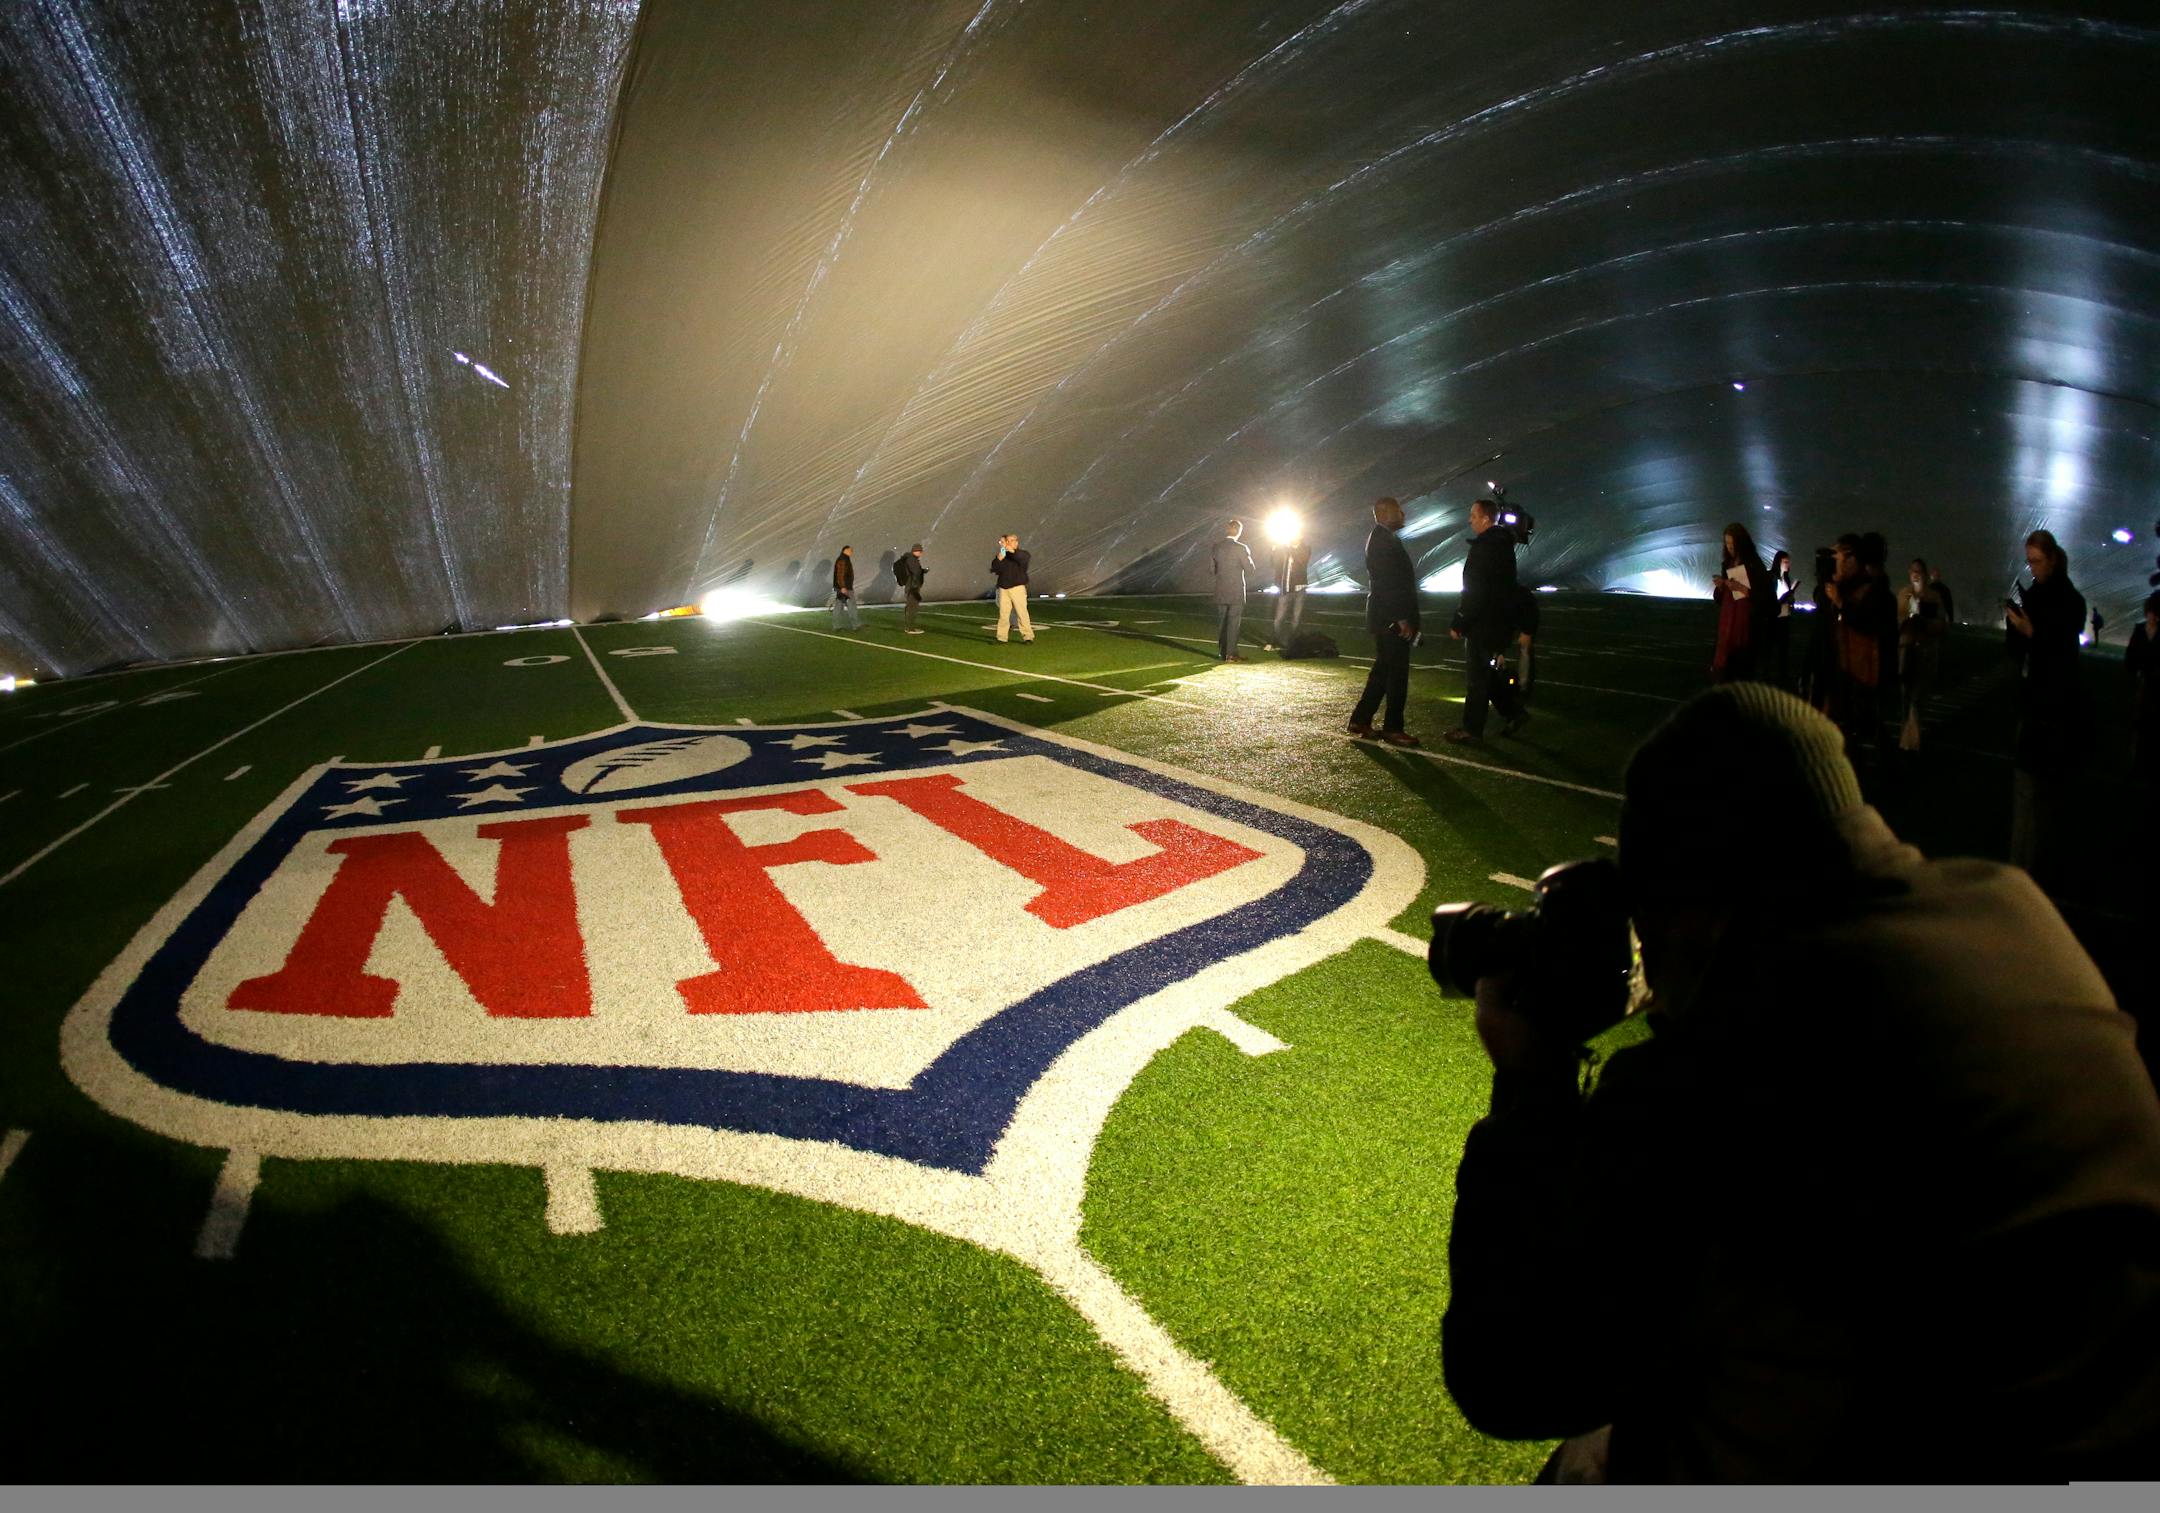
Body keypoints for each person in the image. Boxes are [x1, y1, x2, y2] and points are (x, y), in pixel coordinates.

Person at [1442, 684, 2160, 1483]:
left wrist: (1531, 1085)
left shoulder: (1721, 1068)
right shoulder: (2014, 910)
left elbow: (1506, 1373)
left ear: (1691, 907)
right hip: (2109, 1444)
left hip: (1921, 1454)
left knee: (1588, 1459)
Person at [2004, 529, 2090, 884]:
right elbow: (2019, 652)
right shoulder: (2038, 595)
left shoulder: (2068, 601)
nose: (2032, 568)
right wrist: (2016, 628)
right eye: (2029, 561)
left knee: (2039, 794)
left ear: (2052, 559)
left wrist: (2031, 633)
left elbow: (2062, 653)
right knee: (2029, 793)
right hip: (2034, 700)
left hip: (2052, 707)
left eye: (2037, 561)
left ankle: (2027, 870)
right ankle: (2025, 867)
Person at [1444, 499, 1528, 744]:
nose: (1469, 519)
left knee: (1477, 679)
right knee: (1487, 676)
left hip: (1483, 624)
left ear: (1485, 518)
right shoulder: (1503, 546)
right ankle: (1514, 712)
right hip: (1498, 622)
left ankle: (1472, 730)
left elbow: (1475, 590)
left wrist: (1460, 621)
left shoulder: (1484, 548)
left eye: (1473, 515)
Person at [1346, 496, 1421, 747]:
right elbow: (1387, 583)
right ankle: (1393, 728)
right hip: (1390, 619)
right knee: (1397, 674)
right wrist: (1401, 618)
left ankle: (1360, 719)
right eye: (1399, 510)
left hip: (1385, 617)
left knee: (1383, 672)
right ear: (1385, 513)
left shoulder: (1383, 539)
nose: (1403, 514)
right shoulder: (1381, 541)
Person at [1895, 557, 1947, 749]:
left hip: (1925, 650)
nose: (1915, 574)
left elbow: (1941, 623)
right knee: (1904, 697)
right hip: (1906, 648)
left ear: (1924, 574)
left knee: (1917, 697)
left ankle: (1912, 743)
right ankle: (1904, 738)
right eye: (1912, 571)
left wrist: (1926, 622)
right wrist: (1907, 619)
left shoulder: (1933, 597)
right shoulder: (1904, 594)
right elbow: (1898, 619)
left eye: (1918, 571)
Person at [1710, 523, 1770, 683]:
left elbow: (1768, 600)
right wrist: (1721, 587)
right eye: (1727, 544)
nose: (1730, 547)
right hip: (1728, 624)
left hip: (1746, 627)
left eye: (1732, 544)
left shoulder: (1754, 565)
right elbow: (1720, 600)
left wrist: (1744, 589)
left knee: (1743, 674)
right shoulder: (1727, 564)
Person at [2129, 591, 2160, 843]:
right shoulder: (2141, 630)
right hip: (2144, 684)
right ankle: (2137, 761)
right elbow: (2131, 658)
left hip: (2153, 688)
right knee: (2140, 724)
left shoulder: (2146, 631)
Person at [1211, 519, 1256, 662]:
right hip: (1236, 590)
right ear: (1239, 531)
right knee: (1233, 623)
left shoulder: (1216, 547)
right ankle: (1231, 654)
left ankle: (1222, 652)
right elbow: (1250, 570)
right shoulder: (1242, 548)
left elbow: (1212, 570)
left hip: (1220, 589)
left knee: (1222, 623)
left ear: (1227, 530)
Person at [991, 534, 1033, 644]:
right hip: (1004, 588)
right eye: (1007, 541)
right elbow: (995, 568)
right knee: (1004, 615)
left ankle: (1028, 636)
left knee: (1022, 613)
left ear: (1016, 542)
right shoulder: (1004, 555)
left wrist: (1009, 549)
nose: (1009, 543)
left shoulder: (1023, 554)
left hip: (1017, 588)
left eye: (1012, 541)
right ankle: (1001, 637)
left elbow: (1020, 558)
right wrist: (1001, 554)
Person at [1273, 529, 1311, 647]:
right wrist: (1274, 551)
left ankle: (1292, 643)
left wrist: (1288, 548)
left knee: (1296, 618)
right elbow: (1275, 564)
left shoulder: (1305, 548)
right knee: (1279, 618)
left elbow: (1302, 561)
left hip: (1299, 588)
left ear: (1301, 536)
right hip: (1285, 587)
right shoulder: (1284, 549)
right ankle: (1276, 640)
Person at [1766, 549, 1798, 689]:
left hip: (1785, 617)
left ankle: (1782, 677)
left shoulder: (1786, 578)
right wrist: (1783, 598)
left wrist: (1791, 600)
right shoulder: (1772, 577)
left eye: (1788, 562)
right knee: (1770, 648)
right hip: (1774, 618)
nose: (1787, 565)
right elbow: (1770, 600)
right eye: (1785, 562)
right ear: (1778, 562)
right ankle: (1768, 678)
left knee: (1783, 651)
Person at [896, 543, 928, 634]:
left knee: (911, 606)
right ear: (917, 551)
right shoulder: (912, 560)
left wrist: (922, 571)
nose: (921, 553)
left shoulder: (910, 559)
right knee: (912, 607)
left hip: (911, 586)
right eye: (920, 551)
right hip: (913, 587)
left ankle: (909, 626)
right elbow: (915, 573)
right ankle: (910, 628)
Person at [830, 545, 860, 631]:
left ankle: (836, 626)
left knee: (838, 607)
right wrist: (843, 587)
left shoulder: (843, 559)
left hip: (839, 587)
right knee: (851, 606)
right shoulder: (843, 560)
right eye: (851, 550)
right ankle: (855, 625)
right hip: (845, 588)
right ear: (845, 550)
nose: (852, 551)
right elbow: (840, 574)